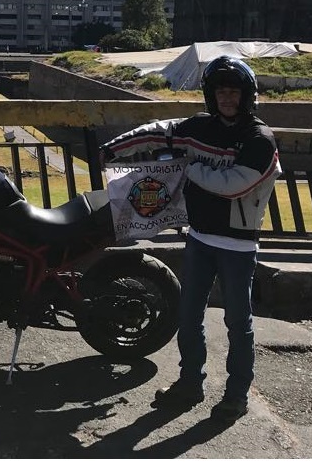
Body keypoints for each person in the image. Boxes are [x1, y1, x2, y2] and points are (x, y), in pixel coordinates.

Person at [101, 55, 282, 420]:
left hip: (237, 245)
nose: (226, 98)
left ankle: (236, 394)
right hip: (200, 238)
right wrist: (114, 149)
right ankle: (189, 382)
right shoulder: (200, 126)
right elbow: (161, 131)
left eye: (233, 91)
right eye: (220, 91)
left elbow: (232, 186)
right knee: (188, 314)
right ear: (210, 95)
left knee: (238, 322)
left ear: (247, 96)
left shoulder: (259, 139)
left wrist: (187, 166)